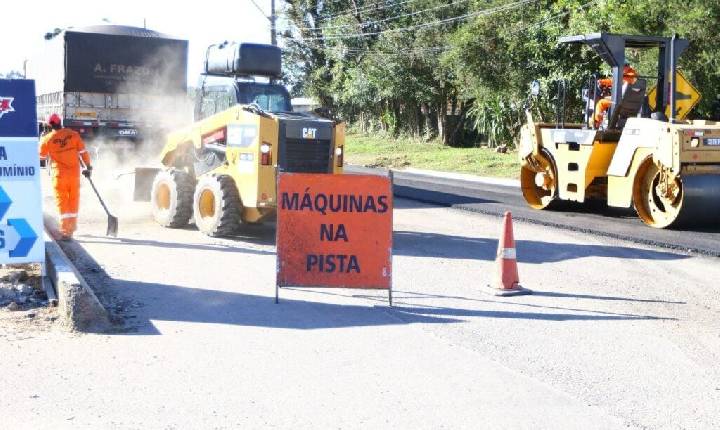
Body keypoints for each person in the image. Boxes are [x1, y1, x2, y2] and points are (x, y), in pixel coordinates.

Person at [39, 113, 93, 240]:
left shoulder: (47, 139)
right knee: (73, 200)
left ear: (49, 125)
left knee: (62, 202)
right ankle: (72, 228)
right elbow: (83, 152)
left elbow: (41, 157)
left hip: (59, 176)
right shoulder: (73, 135)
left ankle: (65, 231)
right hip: (74, 175)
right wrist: (88, 167)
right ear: (60, 121)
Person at [594, 63, 638, 128]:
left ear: (626, 66)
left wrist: (602, 82)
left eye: (623, 67)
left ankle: (597, 122)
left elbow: (614, 81)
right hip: (626, 98)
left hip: (621, 100)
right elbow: (614, 81)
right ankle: (599, 121)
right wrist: (602, 82)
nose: (622, 69)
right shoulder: (630, 74)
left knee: (601, 103)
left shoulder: (628, 75)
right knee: (605, 98)